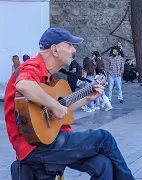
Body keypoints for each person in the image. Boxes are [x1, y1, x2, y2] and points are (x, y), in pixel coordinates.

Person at [4, 28, 134, 179]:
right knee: (104, 137)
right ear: (55, 49)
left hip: (50, 140)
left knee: (102, 164)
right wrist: (55, 105)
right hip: (35, 147)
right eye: (70, 45)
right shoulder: (33, 66)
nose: (74, 49)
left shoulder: (49, 77)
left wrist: (87, 98)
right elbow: (23, 85)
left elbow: (59, 113)